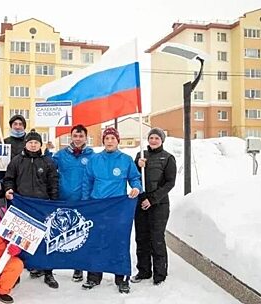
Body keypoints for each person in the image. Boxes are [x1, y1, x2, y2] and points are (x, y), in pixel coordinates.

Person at [81, 127, 141, 294]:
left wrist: (136, 187)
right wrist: (86, 204)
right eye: (106, 138)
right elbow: (87, 182)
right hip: (97, 206)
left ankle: (121, 278)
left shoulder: (126, 160)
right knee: (96, 241)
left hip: (118, 207)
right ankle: (93, 276)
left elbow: (135, 178)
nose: (109, 141)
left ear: (117, 141)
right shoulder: (95, 160)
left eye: (112, 139)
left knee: (119, 241)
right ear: (103, 141)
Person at [4, 130, 60, 289]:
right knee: (19, 240)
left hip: (43, 206)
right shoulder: (16, 161)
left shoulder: (48, 161)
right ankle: (16, 272)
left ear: (40, 145)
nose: (33, 145)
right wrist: (8, 190)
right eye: (30, 142)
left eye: (36, 142)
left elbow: (54, 183)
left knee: (46, 240)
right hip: (23, 206)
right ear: (26, 143)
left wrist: (53, 203)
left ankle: (48, 272)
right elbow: (9, 179)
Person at [131, 128, 176, 286]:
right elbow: (133, 177)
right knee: (141, 238)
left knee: (156, 238)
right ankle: (143, 270)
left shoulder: (168, 158)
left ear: (162, 140)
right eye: (151, 137)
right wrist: (138, 165)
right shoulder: (141, 155)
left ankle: (160, 273)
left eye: (157, 138)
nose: (154, 140)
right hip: (141, 203)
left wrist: (152, 199)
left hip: (159, 205)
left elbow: (170, 183)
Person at [52, 124, 95, 282]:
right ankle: (52, 265)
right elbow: (48, 169)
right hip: (63, 200)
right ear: (71, 137)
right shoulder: (60, 155)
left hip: (83, 202)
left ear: (85, 137)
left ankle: (78, 267)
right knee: (61, 235)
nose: (78, 139)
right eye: (75, 136)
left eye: (81, 136)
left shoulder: (92, 156)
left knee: (80, 236)